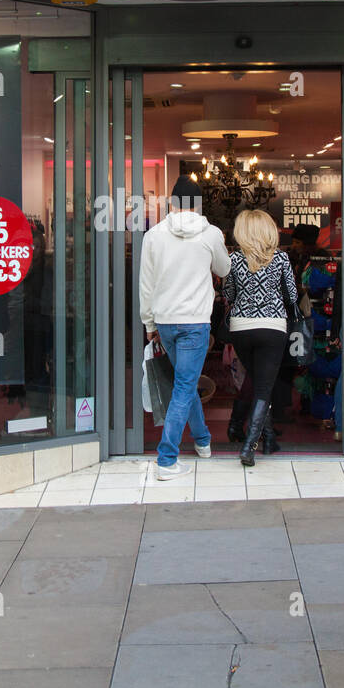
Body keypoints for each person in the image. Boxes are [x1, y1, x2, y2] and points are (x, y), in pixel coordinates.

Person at [139, 175, 230, 480]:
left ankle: (203, 441)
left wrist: (149, 323)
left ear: (172, 203)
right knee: (184, 385)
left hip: (165, 320)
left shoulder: (153, 235)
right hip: (195, 321)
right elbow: (224, 269)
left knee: (184, 383)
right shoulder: (211, 234)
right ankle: (166, 459)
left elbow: (146, 285)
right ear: (199, 204)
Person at [222, 209, 304, 467]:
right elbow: (292, 296)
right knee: (263, 387)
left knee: (258, 382)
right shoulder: (280, 258)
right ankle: (249, 446)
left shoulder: (234, 259)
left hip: (241, 327)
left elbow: (228, 293)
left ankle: (267, 437)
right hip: (272, 327)